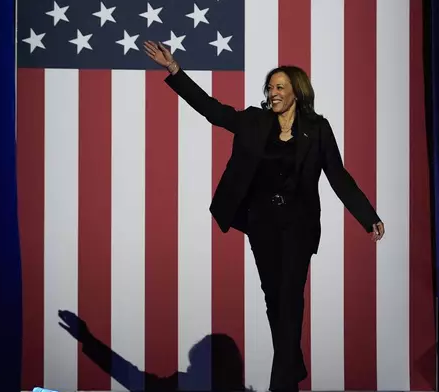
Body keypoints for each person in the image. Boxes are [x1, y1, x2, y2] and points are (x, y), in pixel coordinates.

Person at [143, 41, 385, 392]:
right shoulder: (253, 121)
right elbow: (213, 111)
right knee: (275, 298)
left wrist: (367, 216)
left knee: (290, 294)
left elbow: (338, 175)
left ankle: (283, 382)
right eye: (269, 87)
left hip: (299, 226)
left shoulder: (317, 128)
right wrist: (175, 72)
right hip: (262, 224)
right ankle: (293, 361)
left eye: (279, 87)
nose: (272, 93)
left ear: (297, 92)